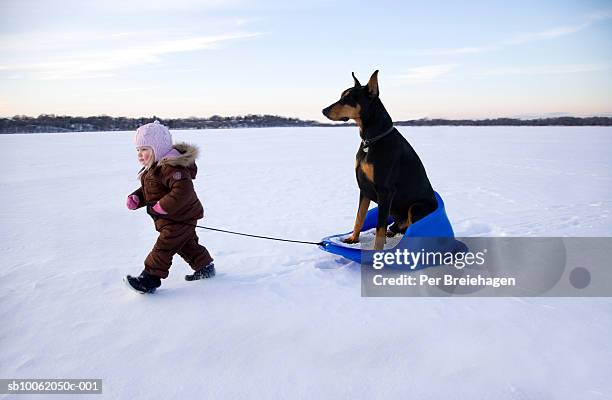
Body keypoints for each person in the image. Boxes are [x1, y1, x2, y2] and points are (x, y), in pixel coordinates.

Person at [124, 121, 215, 294]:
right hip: (171, 217)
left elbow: (183, 191)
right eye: (138, 150)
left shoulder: (172, 168)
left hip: (181, 217)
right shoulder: (154, 168)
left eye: (144, 149)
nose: (140, 155)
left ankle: (149, 279)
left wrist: (162, 207)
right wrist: (137, 197)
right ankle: (204, 267)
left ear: (157, 149)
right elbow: (152, 189)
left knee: (164, 246)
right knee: (185, 244)